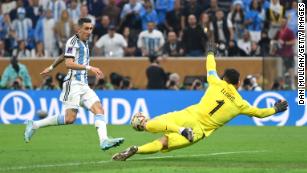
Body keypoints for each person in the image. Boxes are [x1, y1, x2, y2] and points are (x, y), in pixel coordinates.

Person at [112, 45, 288, 161]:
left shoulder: (216, 82)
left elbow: (210, 67)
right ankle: (138, 149)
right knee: (164, 142)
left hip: (188, 114)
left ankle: (145, 125)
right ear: (238, 83)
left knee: (163, 124)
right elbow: (260, 113)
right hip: (199, 130)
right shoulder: (241, 104)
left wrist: (210, 51)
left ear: (224, 78)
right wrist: (275, 108)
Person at [24, 18, 124, 150]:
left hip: (83, 84)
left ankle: (104, 141)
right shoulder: (73, 41)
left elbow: (63, 55)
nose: (89, 31)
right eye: (86, 28)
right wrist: (90, 68)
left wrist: (51, 67)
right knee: (70, 119)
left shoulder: (84, 42)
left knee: (99, 109)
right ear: (79, 29)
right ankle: (35, 124)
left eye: (91, 28)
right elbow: (68, 63)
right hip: (73, 84)